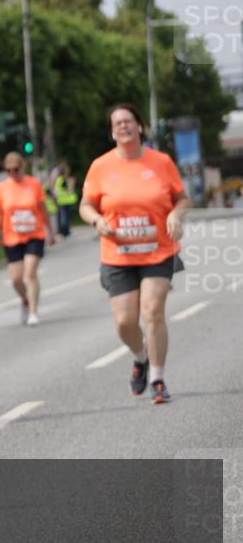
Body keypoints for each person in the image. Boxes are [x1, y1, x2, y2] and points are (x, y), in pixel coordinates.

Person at [80, 103, 189, 404]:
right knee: (125, 323)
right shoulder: (101, 166)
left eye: (128, 121)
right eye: (117, 123)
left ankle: (157, 377)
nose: (123, 126)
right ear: (112, 131)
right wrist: (97, 220)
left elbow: (181, 199)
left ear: (139, 126)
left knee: (153, 312)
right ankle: (140, 357)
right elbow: (85, 205)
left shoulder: (161, 162)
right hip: (118, 255)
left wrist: (176, 216)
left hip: (157, 251)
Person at [0, 152, 56, 326]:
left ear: (22, 167)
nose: (12, 173)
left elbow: (43, 209)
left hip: (34, 235)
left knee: (30, 273)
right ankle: (25, 299)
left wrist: (50, 231)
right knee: (15, 279)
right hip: (12, 237)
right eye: (8, 170)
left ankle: (33, 312)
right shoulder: (2, 187)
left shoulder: (34, 184)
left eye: (16, 169)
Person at [53, 161, 79, 238]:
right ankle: (65, 232)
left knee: (64, 216)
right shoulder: (63, 180)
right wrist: (71, 182)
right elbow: (69, 189)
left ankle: (65, 231)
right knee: (65, 217)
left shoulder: (59, 179)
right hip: (65, 200)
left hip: (63, 200)